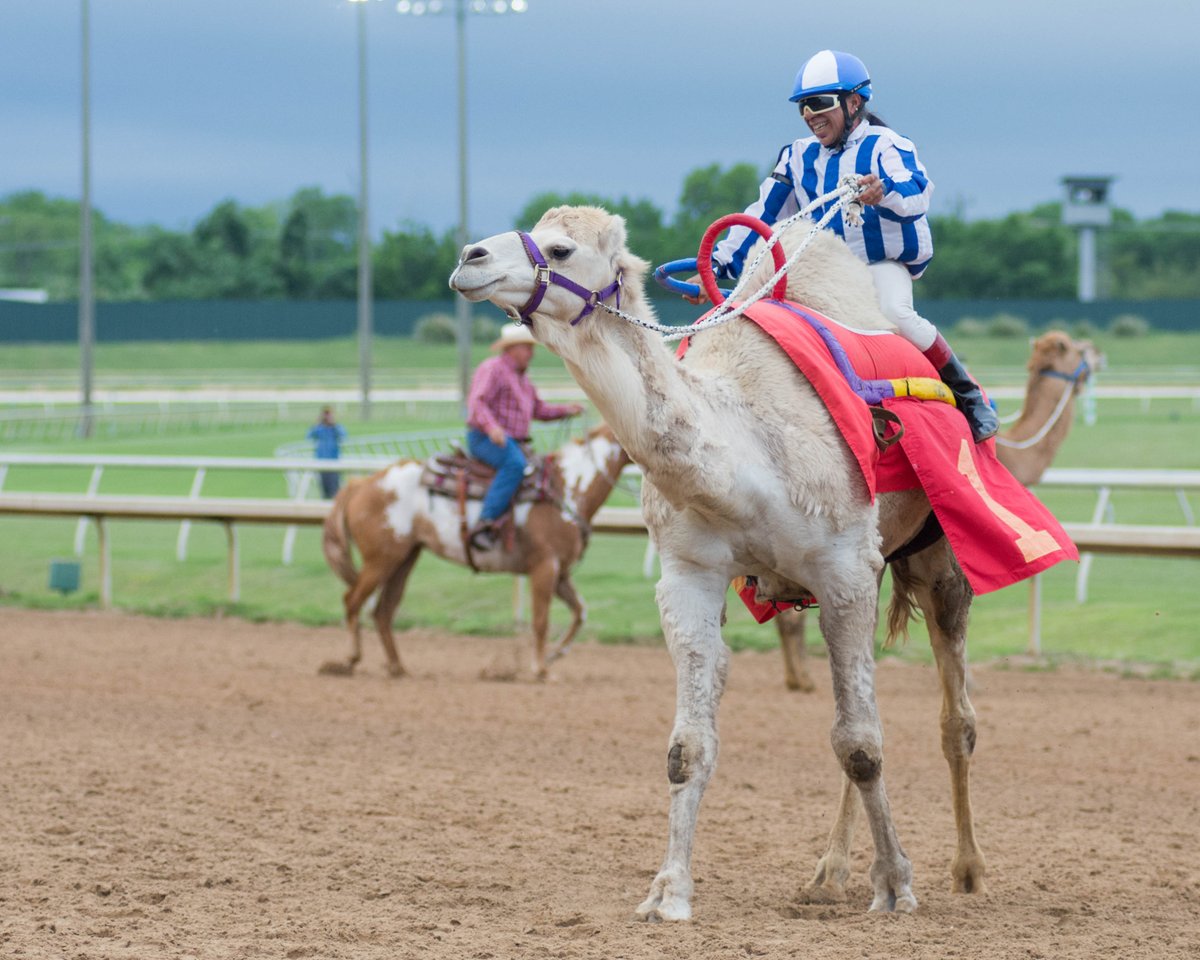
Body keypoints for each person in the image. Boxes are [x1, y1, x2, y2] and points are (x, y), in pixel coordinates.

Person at [700, 49, 998, 443]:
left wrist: (883, 190)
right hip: (822, 276)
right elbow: (763, 216)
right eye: (803, 106)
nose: (810, 114)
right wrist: (719, 264)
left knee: (896, 311)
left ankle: (968, 393)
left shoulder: (887, 144)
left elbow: (918, 192)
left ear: (854, 102)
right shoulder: (795, 156)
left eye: (820, 103)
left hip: (880, 268)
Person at [465, 323, 584, 549]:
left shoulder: (524, 380)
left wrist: (566, 410)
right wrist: (492, 428)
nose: (531, 354)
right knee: (515, 465)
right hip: (485, 438)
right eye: (526, 348)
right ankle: (485, 522)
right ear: (511, 349)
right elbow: (477, 402)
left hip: (513, 442)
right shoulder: (493, 369)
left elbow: (539, 410)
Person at [307, 406, 347, 499]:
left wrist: (334, 424)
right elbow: (309, 436)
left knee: (335, 490)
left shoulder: (336, 428)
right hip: (321, 462)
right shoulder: (319, 428)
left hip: (334, 462)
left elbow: (343, 435)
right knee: (324, 490)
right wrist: (317, 423)